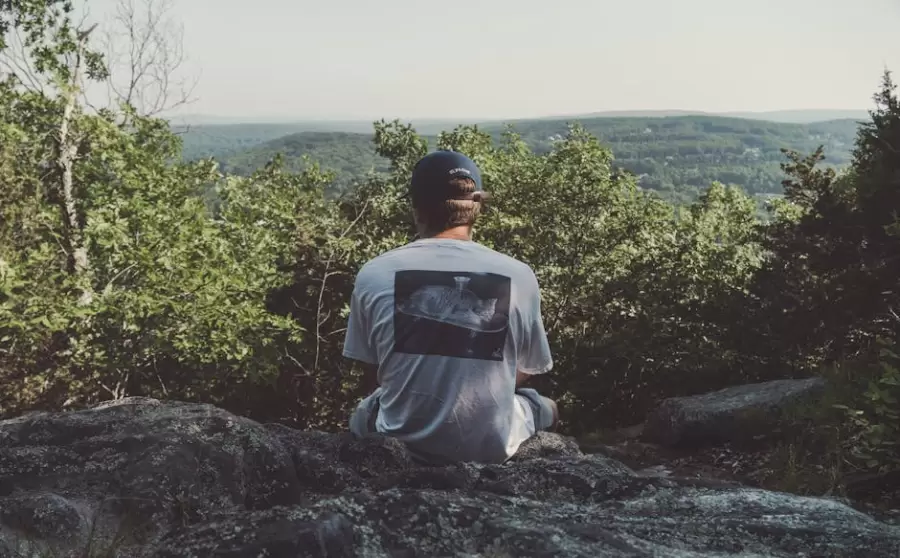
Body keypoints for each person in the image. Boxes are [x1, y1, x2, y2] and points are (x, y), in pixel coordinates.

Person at [342, 149, 558, 465]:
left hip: (400, 439)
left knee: (363, 411)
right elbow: (523, 369)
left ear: (417, 209)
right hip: (491, 446)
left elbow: (376, 372)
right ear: (476, 208)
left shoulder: (375, 272)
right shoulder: (518, 275)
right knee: (548, 407)